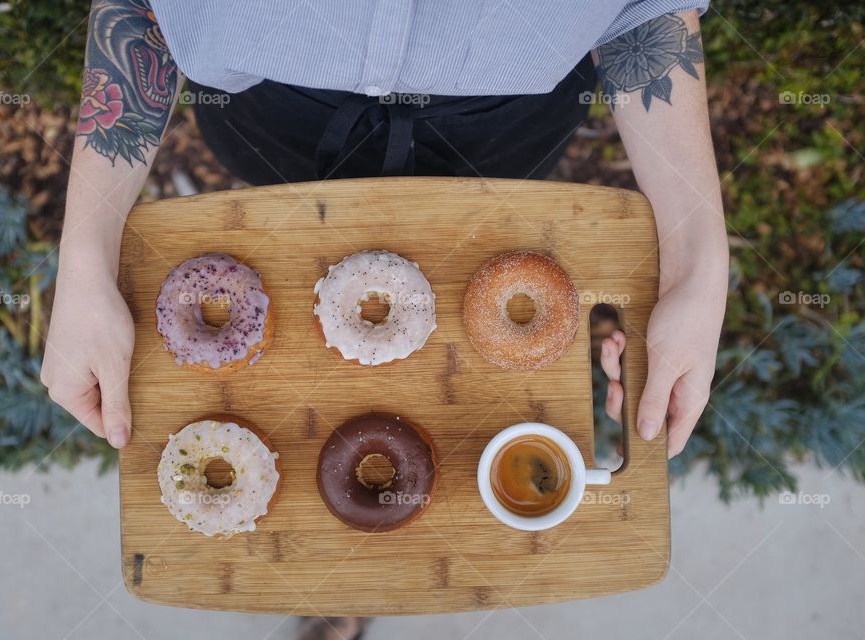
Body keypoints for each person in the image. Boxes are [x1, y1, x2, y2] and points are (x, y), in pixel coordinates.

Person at [41, 2, 728, 636]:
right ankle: (342, 585)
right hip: (265, 107)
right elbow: (141, 8)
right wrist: (83, 258)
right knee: (278, 203)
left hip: (505, 119)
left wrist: (700, 259)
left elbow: (644, 11)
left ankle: (345, 592)